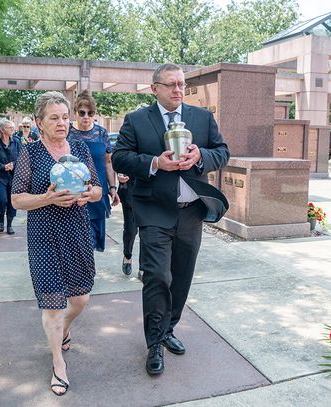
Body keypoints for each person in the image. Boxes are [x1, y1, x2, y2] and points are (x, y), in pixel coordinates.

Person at [112, 63, 230, 376]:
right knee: (157, 276)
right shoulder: (137, 120)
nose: (178, 90)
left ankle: (168, 329)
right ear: (155, 89)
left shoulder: (202, 118)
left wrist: (201, 156)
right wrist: (155, 163)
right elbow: (120, 157)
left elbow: (222, 151)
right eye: (171, 85)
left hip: (191, 212)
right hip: (153, 211)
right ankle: (154, 342)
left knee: (181, 276)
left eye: (181, 84)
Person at [11, 91, 102, 396]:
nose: (62, 123)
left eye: (65, 117)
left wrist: (89, 194)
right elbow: (17, 199)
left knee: (81, 298)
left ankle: (64, 328)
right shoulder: (30, 153)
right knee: (52, 304)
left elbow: (97, 189)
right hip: (44, 235)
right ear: (39, 122)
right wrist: (48, 198)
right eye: (54, 118)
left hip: (76, 231)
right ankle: (58, 363)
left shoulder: (79, 148)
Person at [68, 90, 119, 251]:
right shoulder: (67, 133)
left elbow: (108, 162)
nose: (86, 117)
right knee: (76, 240)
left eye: (90, 113)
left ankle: (87, 266)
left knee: (93, 238)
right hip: (74, 191)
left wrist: (112, 188)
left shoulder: (101, 133)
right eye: (82, 112)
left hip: (98, 190)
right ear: (75, 113)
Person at [0, 118, 22, 234]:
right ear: (2, 130)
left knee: (12, 200)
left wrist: (13, 164)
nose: (12, 129)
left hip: (14, 176)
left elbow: (21, 157)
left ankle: (10, 224)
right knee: (1, 199)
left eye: (13, 127)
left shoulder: (16, 141)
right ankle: (1, 220)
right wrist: (3, 166)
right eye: (9, 127)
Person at [117, 173, 138, 276]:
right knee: (130, 230)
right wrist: (120, 175)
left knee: (149, 232)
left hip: (152, 193)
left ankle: (144, 268)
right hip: (130, 191)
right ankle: (127, 255)